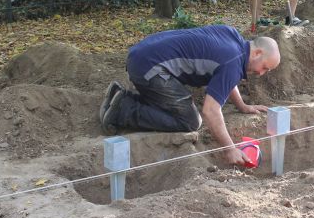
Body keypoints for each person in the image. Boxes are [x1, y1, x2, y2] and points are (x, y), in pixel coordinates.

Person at [99, 25, 280, 166]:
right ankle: (124, 109)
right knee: (191, 121)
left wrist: (243, 106)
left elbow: (226, 77)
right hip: (150, 68)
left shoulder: (233, 38)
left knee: (174, 104)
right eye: (265, 67)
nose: (262, 73)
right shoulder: (233, 62)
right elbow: (210, 110)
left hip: (143, 53)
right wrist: (229, 149)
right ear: (257, 53)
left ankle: (120, 97)